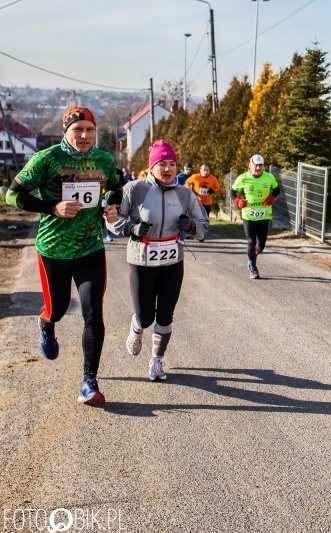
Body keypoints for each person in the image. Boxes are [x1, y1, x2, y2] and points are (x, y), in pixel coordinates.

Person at [4, 105, 122, 406]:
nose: (84, 136)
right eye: (78, 130)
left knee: (93, 312)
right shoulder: (47, 159)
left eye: (90, 130)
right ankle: (47, 324)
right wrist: (52, 208)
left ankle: (89, 382)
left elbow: (116, 187)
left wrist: (112, 206)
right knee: (57, 309)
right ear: (65, 132)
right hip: (54, 250)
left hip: (90, 248)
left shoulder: (104, 160)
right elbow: (13, 194)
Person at [108, 140, 208, 381]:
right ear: (151, 167)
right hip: (142, 262)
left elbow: (204, 225)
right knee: (145, 316)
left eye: (172, 164)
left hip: (172, 262)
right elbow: (112, 220)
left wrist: (192, 226)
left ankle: (157, 361)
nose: (168, 168)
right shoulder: (134, 189)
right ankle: (137, 327)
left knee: (165, 315)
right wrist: (132, 228)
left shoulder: (185, 193)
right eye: (161, 163)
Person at [231, 154, 280, 279]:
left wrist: (271, 197)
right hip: (248, 215)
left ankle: (252, 256)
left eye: (260, 165)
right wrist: (238, 201)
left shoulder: (269, 177)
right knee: (251, 241)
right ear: (250, 165)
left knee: (261, 244)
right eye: (256, 165)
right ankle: (253, 267)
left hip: (264, 214)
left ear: (263, 166)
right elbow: (232, 192)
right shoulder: (243, 178)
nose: (258, 168)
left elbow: (276, 189)